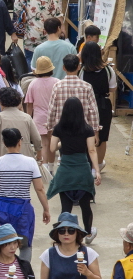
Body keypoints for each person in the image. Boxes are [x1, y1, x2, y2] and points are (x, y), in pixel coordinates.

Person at [0, 127, 50, 260]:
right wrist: (46, 209)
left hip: (1, 209)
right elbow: (39, 189)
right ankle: (25, 275)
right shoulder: (30, 162)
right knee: (25, 245)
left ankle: (2, 273)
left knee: (1, 245)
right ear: (20, 142)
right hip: (23, 210)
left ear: (4, 143)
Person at [48, 97, 101, 242]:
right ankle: (88, 234)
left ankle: (62, 235)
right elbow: (91, 150)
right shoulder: (87, 129)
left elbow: (52, 148)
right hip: (82, 171)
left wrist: (63, 144)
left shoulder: (59, 128)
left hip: (65, 170)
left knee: (66, 208)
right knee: (85, 206)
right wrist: (96, 171)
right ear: (80, 111)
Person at [13, 0, 63, 67]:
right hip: (47, 34)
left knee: (30, 61)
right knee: (47, 63)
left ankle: (31, 81)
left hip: (29, 34)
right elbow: (57, 14)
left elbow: (17, 9)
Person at [80, 40, 116, 170]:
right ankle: (98, 165)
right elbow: (112, 89)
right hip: (104, 105)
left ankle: (88, 163)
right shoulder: (108, 70)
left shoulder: (83, 71)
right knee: (102, 136)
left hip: (86, 105)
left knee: (87, 134)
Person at [47, 53, 101, 138]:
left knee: (64, 151)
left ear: (64, 68)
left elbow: (52, 109)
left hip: (62, 130)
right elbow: (93, 110)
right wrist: (95, 131)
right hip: (83, 129)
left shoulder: (57, 86)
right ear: (79, 67)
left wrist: (50, 127)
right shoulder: (87, 86)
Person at [24, 55, 60, 170]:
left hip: (39, 117)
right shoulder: (57, 82)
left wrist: (28, 118)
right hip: (54, 117)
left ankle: (44, 166)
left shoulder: (33, 83)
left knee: (43, 143)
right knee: (52, 143)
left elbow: (29, 104)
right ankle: (50, 167)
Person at [0, 87, 42, 159]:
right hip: (25, 155)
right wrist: (39, 154)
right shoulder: (26, 117)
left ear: (1, 102)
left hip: (3, 154)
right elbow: (37, 138)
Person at [31, 16, 76, 81]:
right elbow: (76, 67)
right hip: (65, 86)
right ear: (58, 28)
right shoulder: (70, 47)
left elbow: (34, 69)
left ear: (45, 31)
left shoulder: (39, 49)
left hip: (46, 86)